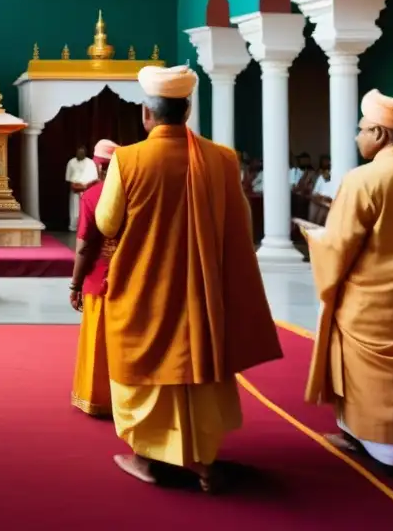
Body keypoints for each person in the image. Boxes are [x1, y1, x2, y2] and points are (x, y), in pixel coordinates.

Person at [95, 65, 282, 491]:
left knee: (147, 368)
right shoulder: (222, 158)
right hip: (203, 289)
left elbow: (107, 223)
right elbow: (240, 223)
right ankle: (201, 459)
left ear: (147, 114)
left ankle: (146, 457)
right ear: (188, 110)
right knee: (197, 361)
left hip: (147, 286)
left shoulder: (128, 159)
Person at [302, 89, 393, 468]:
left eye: (361, 129)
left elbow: (338, 247)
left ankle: (381, 450)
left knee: (374, 384)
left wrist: (313, 238)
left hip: (371, 308)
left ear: (380, 134)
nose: (357, 137)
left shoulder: (364, 179)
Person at [69, 139, 119, 418]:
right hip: (133, 279)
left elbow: (85, 247)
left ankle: (98, 398)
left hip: (99, 279)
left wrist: (75, 285)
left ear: (98, 166)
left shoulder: (93, 196)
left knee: (99, 341)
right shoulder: (138, 193)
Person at [66, 145, 98, 232]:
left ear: (85, 153)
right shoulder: (71, 162)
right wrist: (78, 187)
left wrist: (85, 187)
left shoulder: (91, 163)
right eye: (78, 152)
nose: (80, 154)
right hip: (75, 191)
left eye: (82, 152)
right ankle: (74, 228)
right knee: (75, 212)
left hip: (88, 191)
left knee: (87, 212)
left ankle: (86, 229)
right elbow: (70, 181)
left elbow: (95, 180)